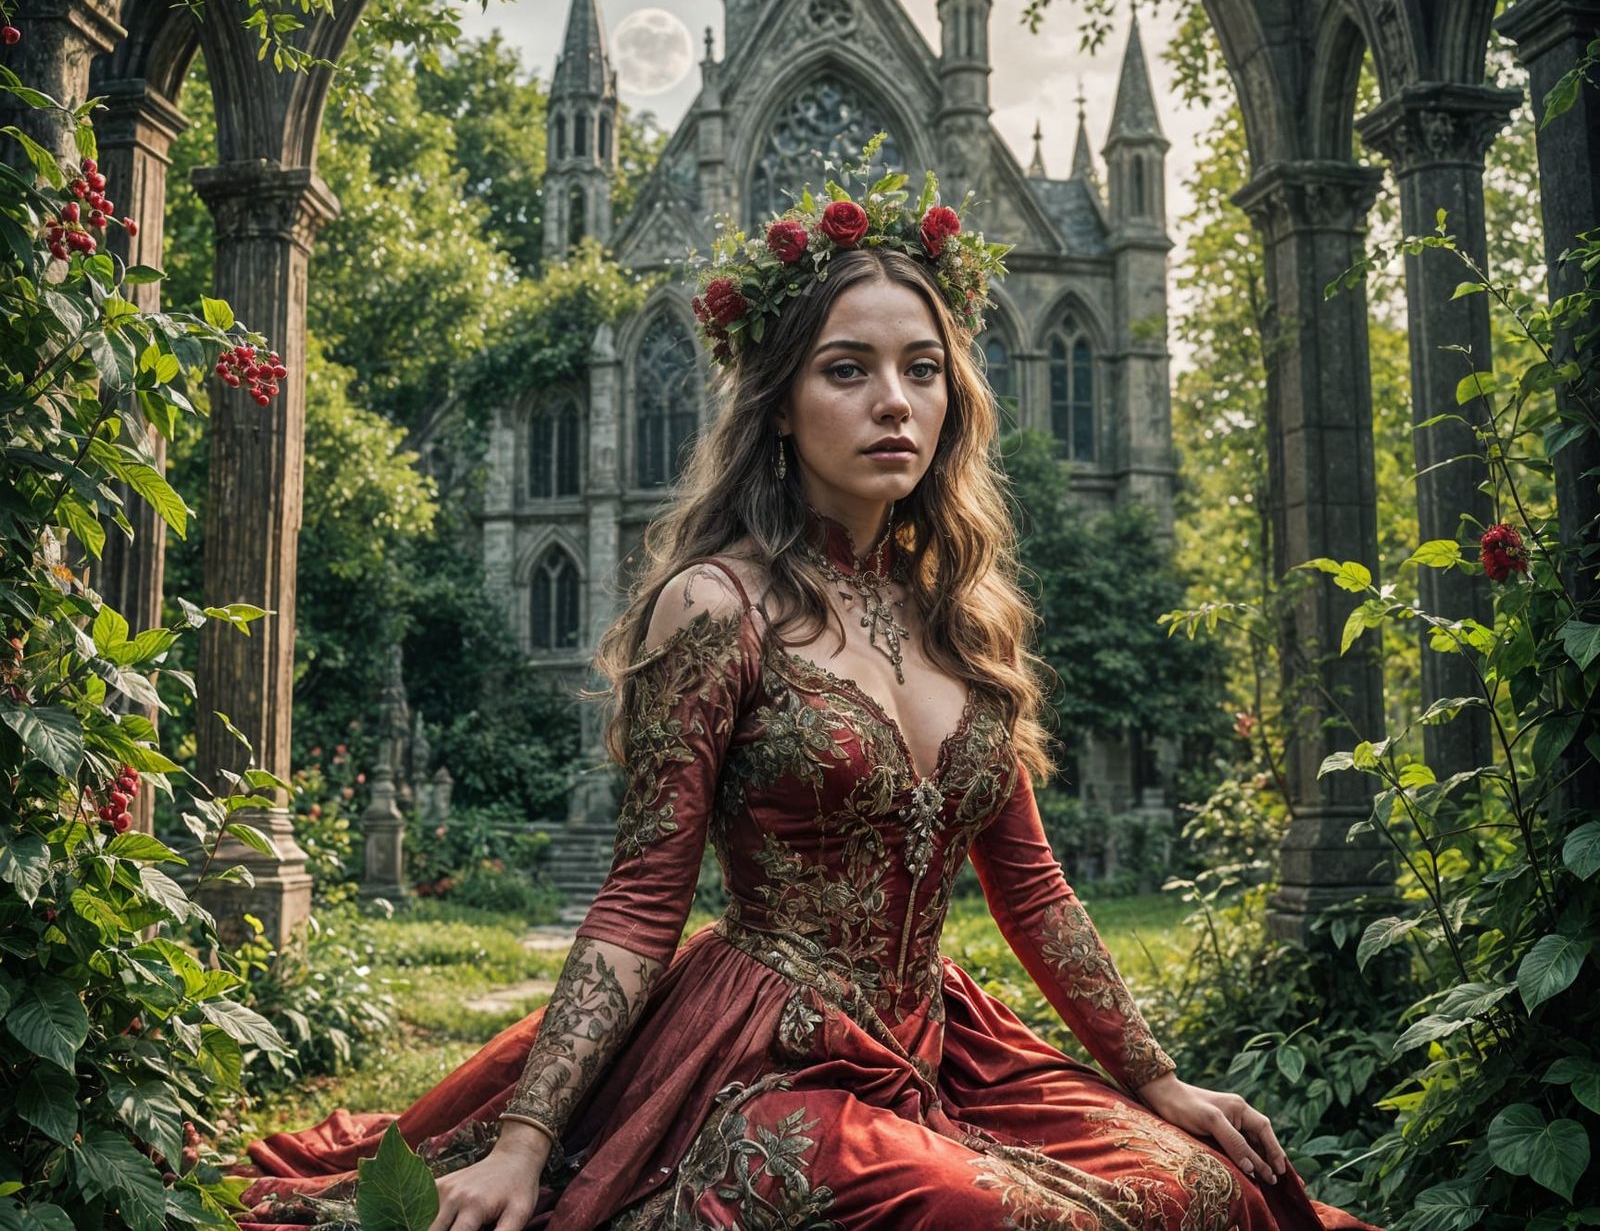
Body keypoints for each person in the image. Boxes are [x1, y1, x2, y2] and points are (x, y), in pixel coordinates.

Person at [238, 159, 1381, 1231]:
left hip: (942, 1037)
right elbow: (644, 897)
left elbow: (1031, 887)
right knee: (987, 1213)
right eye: (849, 368)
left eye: (921, 369)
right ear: (778, 404)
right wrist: (527, 1140)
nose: (894, 401)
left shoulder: (966, 616)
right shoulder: (715, 605)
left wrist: (1156, 1074)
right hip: (769, 1049)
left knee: (1203, 1180)